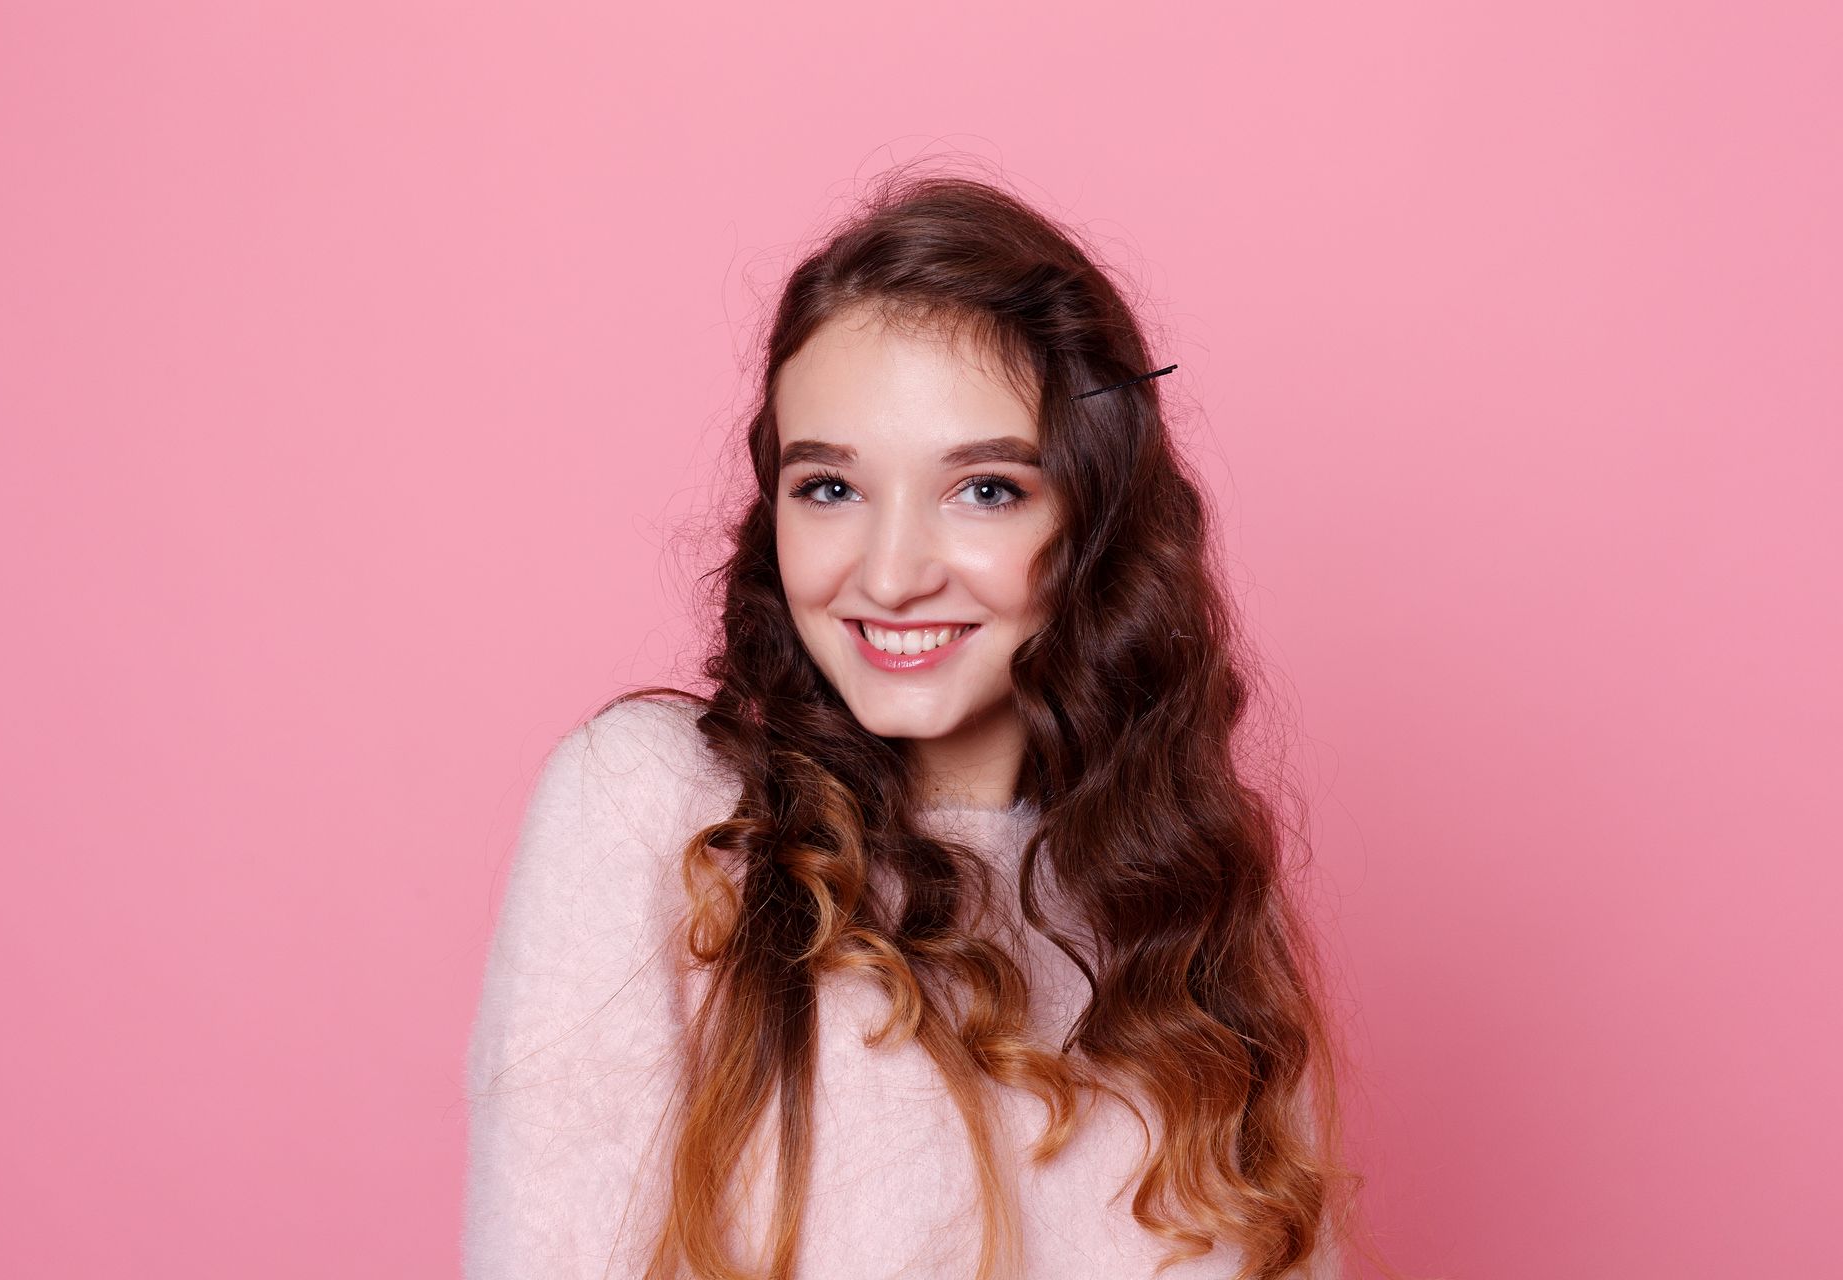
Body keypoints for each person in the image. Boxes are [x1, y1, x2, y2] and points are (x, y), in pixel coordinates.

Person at [462, 167, 1368, 1280]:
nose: (889, 575)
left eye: (984, 488)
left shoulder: (1192, 895)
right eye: (830, 488)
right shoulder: (656, 814)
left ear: (1095, 521)